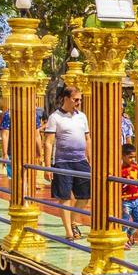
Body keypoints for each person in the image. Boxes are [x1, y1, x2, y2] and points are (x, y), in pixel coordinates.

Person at [41, 85, 90, 240]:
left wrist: (91, 160)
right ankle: (69, 231)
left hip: (81, 160)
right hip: (63, 161)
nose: (79, 102)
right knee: (65, 197)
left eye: (80, 100)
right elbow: (48, 142)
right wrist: (47, 166)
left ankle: (74, 221)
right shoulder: (55, 117)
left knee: (85, 196)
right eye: (76, 99)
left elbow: (87, 139)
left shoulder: (82, 116)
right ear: (66, 98)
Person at [120, 142, 138, 241]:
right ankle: (124, 239)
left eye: (134, 157)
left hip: (136, 199)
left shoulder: (136, 168)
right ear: (123, 156)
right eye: (130, 157)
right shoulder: (119, 170)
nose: (133, 159)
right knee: (125, 220)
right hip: (125, 200)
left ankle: (129, 233)